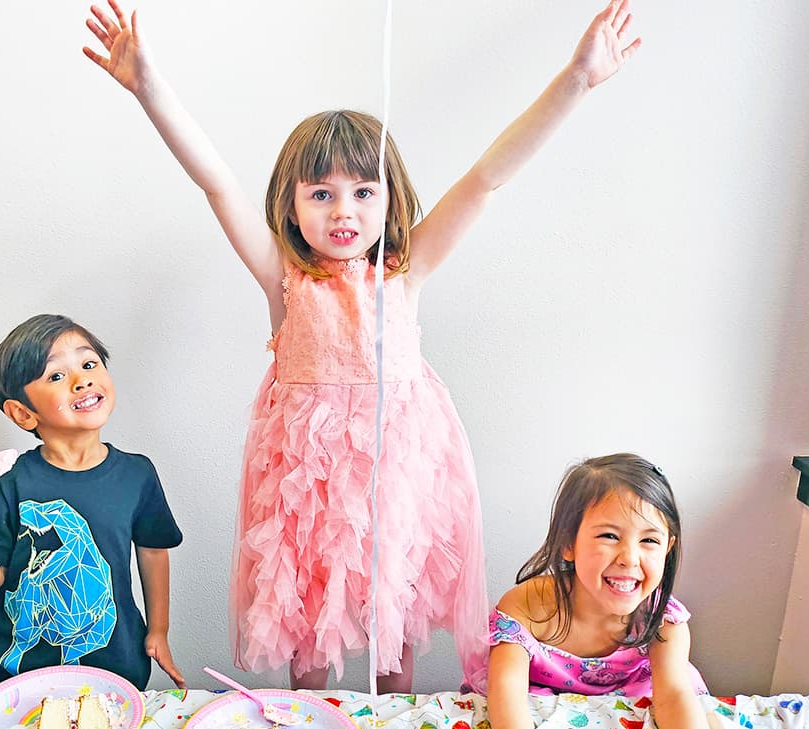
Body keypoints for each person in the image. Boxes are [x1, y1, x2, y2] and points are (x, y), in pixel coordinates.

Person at [84, 0, 642, 692]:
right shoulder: (283, 277)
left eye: (361, 192)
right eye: (320, 193)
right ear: (290, 206)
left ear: (389, 201)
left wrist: (577, 80)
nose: (342, 210)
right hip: (302, 485)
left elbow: (487, 177)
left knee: (393, 637)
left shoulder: (405, 276)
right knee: (305, 632)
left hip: (395, 483)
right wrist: (148, 88)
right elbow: (215, 181)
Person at [487, 454, 768, 729]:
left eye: (649, 540)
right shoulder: (527, 606)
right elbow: (505, 692)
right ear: (568, 542)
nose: (629, 558)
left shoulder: (664, 621)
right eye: (609, 536)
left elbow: (673, 696)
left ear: (667, 546)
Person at [0, 314, 184, 691]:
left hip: (117, 662)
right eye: (56, 376)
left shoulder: (137, 474)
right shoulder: (8, 481)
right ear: (22, 413)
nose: (82, 379)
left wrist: (158, 629)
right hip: (25, 674)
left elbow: (153, 551)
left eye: (89, 363)